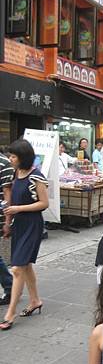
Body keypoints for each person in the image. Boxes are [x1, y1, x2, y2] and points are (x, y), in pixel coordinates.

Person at [0, 139, 48, 330]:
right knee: (25, 265)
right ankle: (35, 300)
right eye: (10, 156)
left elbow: (44, 203)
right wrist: (8, 223)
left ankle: (10, 314)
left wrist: (19, 208)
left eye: (13, 156)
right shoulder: (15, 173)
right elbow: (10, 204)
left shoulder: (36, 176)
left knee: (18, 268)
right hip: (19, 223)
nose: (10, 159)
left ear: (23, 157)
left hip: (32, 224)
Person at [0, 151, 14, 306]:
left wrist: (7, 221)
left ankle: (9, 285)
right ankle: (9, 284)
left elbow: (7, 195)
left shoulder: (4, 164)